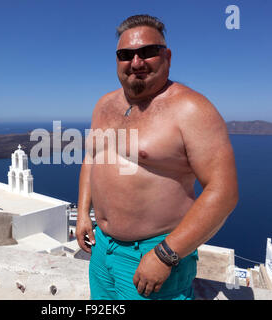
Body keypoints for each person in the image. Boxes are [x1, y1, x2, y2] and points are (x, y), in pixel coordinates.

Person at [76, 14, 238, 300]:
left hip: (153, 255)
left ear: (168, 56)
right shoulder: (103, 105)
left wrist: (165, 254)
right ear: (117, 61)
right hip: (102, 249)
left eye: (148, 52)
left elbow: (223, 192)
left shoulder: (191, 108)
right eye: (126, 55)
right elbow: (92, 159)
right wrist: (82, 214)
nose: (136, 62)